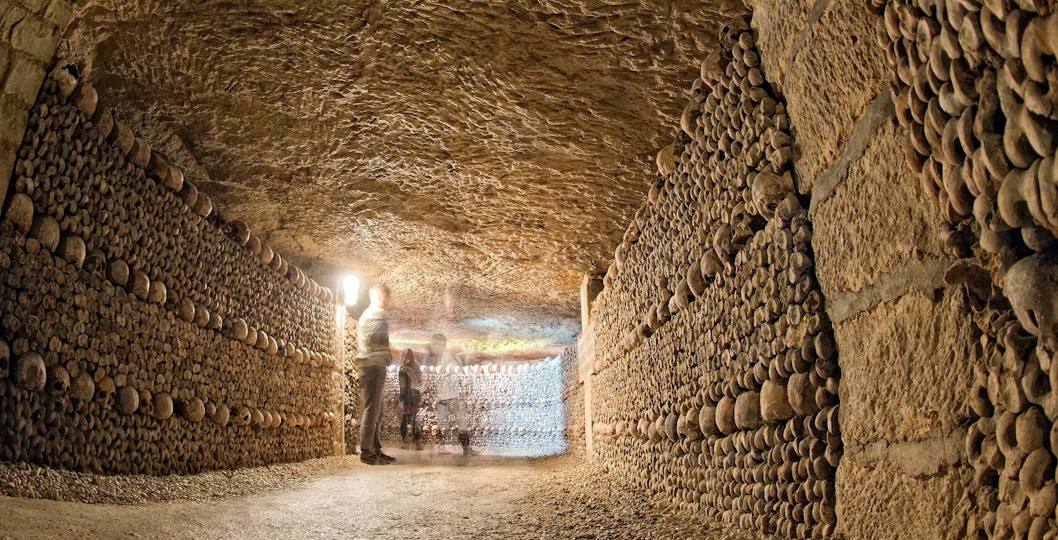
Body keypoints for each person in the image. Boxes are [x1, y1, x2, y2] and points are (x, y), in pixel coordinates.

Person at [356, 283, 396, 465]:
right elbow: (379, 342)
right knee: (373, 409)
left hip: (370, 365)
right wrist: (388, 357)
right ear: (382, 297)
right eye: (388, 297)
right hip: (373, 365)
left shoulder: (368, 314)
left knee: (378, 409)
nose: (390, 301)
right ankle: (367, 452)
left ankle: (375, 449)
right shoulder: (377, 314)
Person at [422, 333, 479, 456]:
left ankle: (441, 447)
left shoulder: (432, 358)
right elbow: (457, 370)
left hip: (440, 395)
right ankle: (466, 449)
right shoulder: (446, 355)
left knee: (441, 421)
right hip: (451, 394)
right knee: (461, 421)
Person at [398, 348, 423, 450]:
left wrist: (401, 398)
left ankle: (405, 441)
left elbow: (402, 385)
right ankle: (418, 442)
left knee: (405, 419)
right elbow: (420, 382)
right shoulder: (417, 367)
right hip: (416, 396)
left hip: (407, 397)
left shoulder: (403, 368)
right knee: (414, 419)